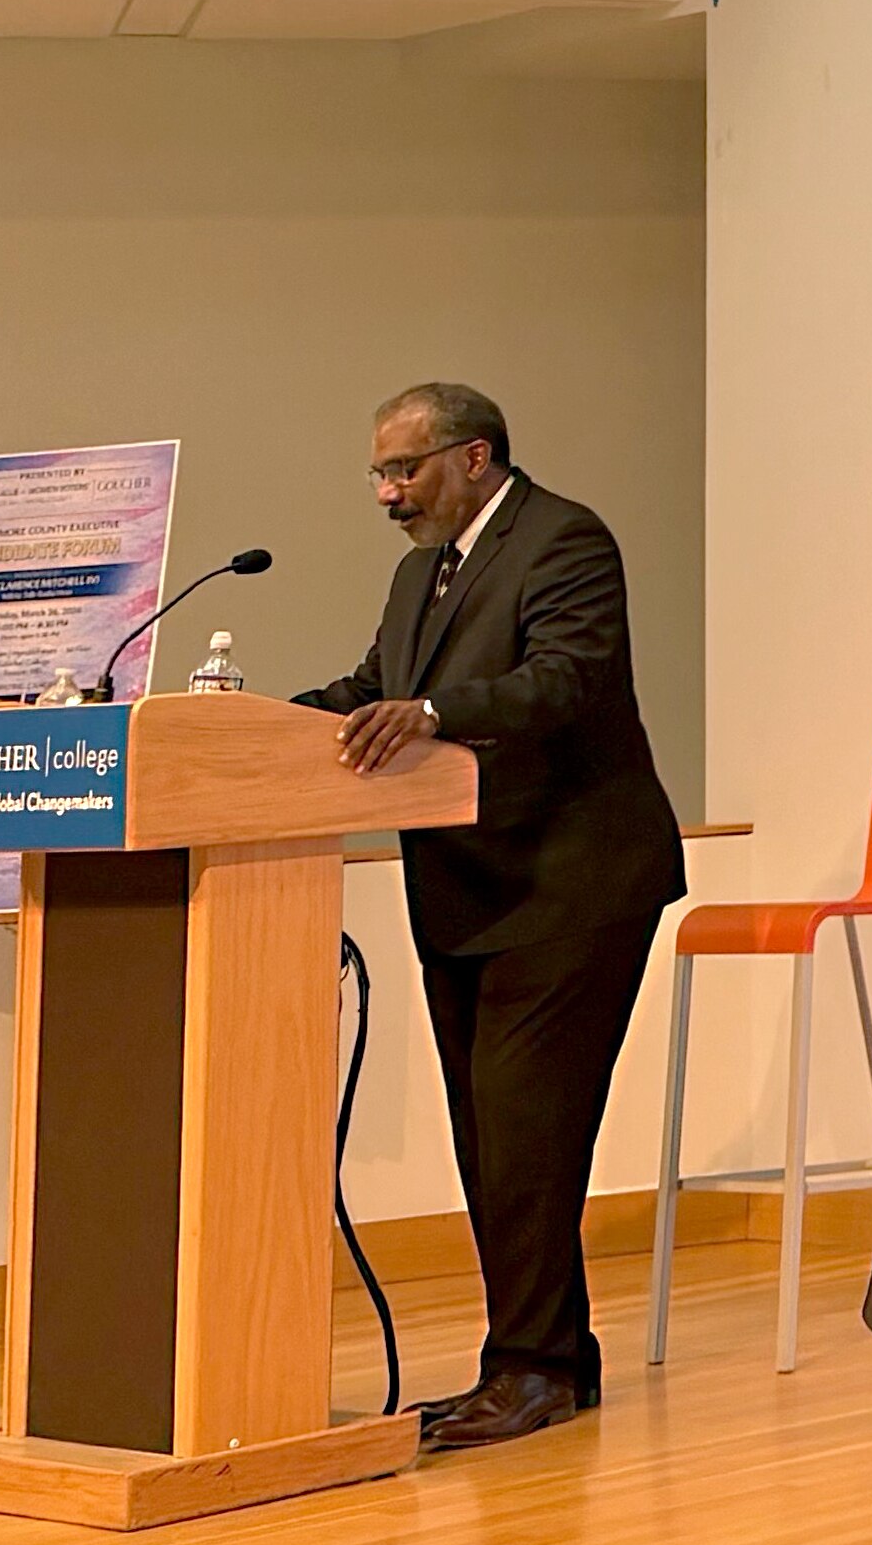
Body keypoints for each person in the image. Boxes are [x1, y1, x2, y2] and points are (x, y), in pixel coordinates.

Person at [293, 381, 686, 1451]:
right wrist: (248, 724)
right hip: (469, 891)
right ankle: (554, 1357)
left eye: (403, 469)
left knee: (527, 1134)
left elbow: (566, 682)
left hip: (571, 884)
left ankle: (529, 1367)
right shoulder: (420, 572)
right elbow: (372, 688)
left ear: (474, 457)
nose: (388, 493)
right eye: (379, 474)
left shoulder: (564, 539)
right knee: (492, 1133)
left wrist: (432, 711)